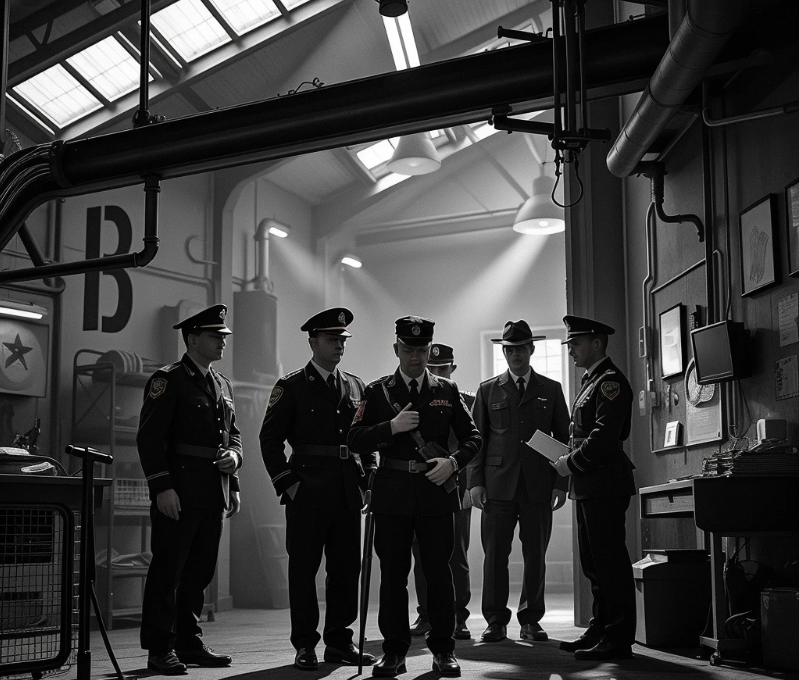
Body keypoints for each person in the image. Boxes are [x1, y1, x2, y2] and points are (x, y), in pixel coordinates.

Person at [348, 316, 481, 678]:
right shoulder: (378, 392)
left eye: (421, 350)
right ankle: (394, 652)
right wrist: (390, 427)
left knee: (438, 574)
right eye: (408, 349)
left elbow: (473, 438)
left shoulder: (446, 390)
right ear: (397, 349)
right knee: (393, 575)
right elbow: (355, 438)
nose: (415, 356)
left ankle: (443, 649)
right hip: (392, 495)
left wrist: (453, 462)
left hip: (436, 493)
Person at [259, 308, 376, 671]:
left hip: (346, 490)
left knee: (346, 571)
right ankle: (305, 644)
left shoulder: (356, 386)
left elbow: (366, 438)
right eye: (331, 339)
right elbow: (269, 440)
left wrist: (368, 477)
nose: (339, 345)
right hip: (307, 490)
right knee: (303, 571)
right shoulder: (291, 386)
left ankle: (339, 642)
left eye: (342, 340)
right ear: (312, 342)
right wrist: (288, 484)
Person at [137, 303, 242, 675]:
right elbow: (150, 439)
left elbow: (232, 436)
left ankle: (188, 642)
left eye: (223, 336)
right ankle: (159, 648)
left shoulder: (221, 383)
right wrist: (161, 488)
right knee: (168, 571)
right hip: (178, 492)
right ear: (193, 338)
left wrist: (234, 468)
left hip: (212, 491)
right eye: (215, 335)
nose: (222, 341)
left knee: (200, 572)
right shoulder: (169, 380)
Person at [467, 320, 570, 644]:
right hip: (497, 485)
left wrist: (561, 483)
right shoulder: (488, 390)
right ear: (504, 352)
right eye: (510, 350)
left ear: (531, 349)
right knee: (495, 556)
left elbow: (564, 439)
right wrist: (475, 482)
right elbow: (476, 440)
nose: (515, 354)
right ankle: (495, 621)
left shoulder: (550, 389)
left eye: (521, 348)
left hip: (538, 485)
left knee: (535, 555)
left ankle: (531, 619)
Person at [553, 315, 636, 661]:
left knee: (610, 563)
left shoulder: (610, 382)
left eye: (576, 343)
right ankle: (601, 628)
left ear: (597, 343)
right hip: (590, 484)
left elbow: (603, 437)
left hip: (604, 482)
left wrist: (569, 464)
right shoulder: (593, 380)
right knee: (594, 563)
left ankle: (618, 637)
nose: (571, 349)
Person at [409, 343, 474, 640]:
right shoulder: (414, 397)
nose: (436, 372)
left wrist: (473, 485)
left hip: (456, 486)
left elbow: (476, 444)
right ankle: (426, 614)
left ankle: (458, 616)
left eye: (443, 368)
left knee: (456, 553)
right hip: (421, 486)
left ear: (453, 369)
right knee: (421, 553)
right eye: (432, 367)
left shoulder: (467, 400)